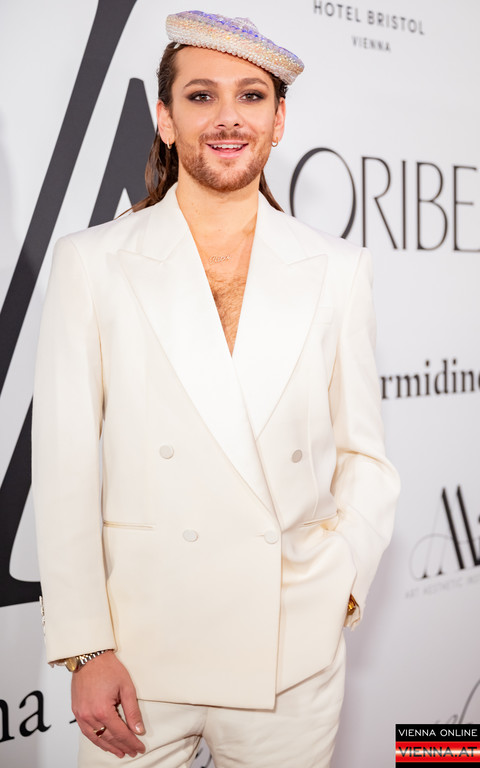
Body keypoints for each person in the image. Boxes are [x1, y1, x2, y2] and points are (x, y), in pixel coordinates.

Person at [33, 10, 400, 768]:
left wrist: (340, 586)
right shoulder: (92, 263)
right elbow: (65, 469)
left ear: (279, 120)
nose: (228, 118)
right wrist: (85, 648)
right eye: (201, 96)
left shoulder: (338, 271)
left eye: (251, 96)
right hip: (139, 655)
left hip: (290, 656)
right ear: (165, 119)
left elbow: (365, 456)